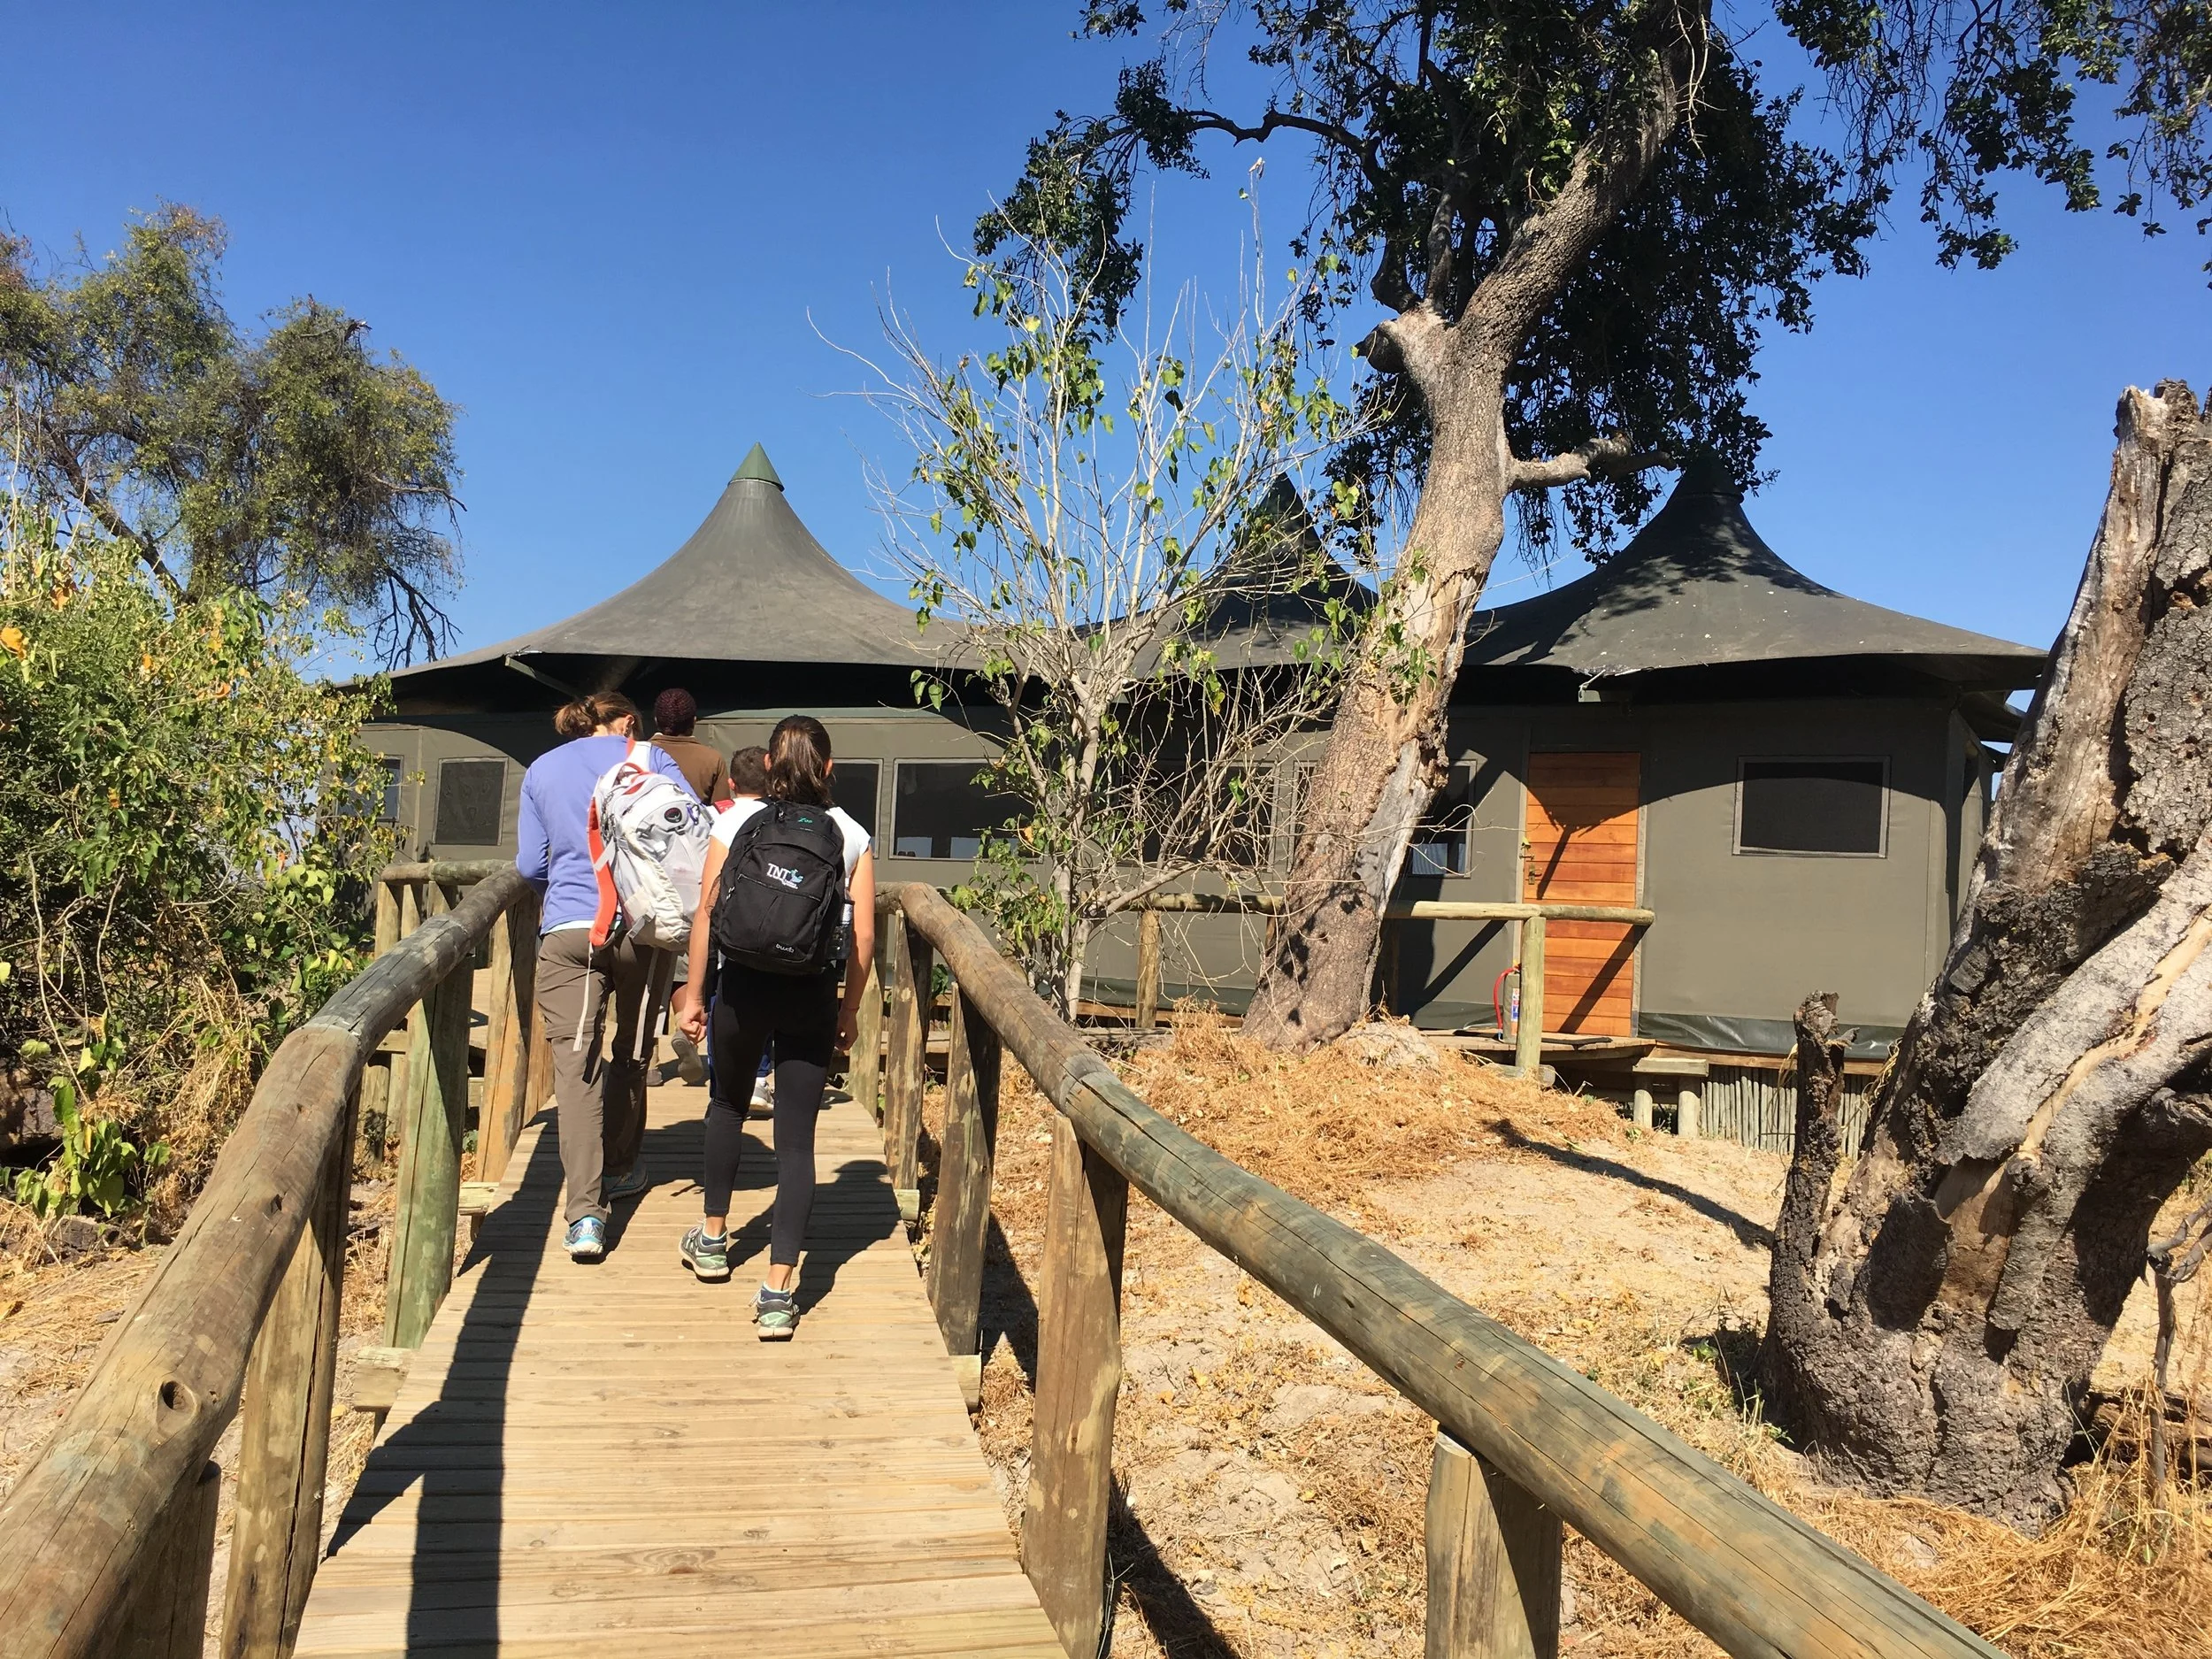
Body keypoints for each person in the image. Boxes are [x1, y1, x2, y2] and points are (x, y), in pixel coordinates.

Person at [673, 716, 874, 1339]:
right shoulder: (850, 835)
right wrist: (849, 1011)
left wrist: (695, 993)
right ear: (830, 769)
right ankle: (778, 1291)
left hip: (743, 988)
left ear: (767, 765)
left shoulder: (735, 822)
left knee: (727, 1105)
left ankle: (711, 1238)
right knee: (795, 1143)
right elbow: (863, 938)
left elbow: (708, 915)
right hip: (809, 993)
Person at [516, 690, 698, 1262]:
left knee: (576, 1065)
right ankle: (620, 1166)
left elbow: (528, 865)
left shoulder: (541, 770)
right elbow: (693, 836)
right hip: (641, 930)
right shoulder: (651, 759)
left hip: (571, 931)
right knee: (631, 1051)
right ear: (625, 725)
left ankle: (585, 1215)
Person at [649, 687, 732, 806]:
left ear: (656, 720)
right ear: (694, 721)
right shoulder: (713, 759)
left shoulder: (635, 754)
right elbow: (722, 811)